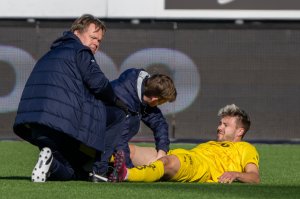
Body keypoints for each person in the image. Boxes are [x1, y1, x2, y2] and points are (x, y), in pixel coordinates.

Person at [13, 14, 128, 183]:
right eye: (93, 37)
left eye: (99, 40)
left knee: (67, 169)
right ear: (76, 33)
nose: (96, 43)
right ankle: (100, 170)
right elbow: (98, 84)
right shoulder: (81, 51)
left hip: (35, 126)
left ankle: (50, 163)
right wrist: (117, 101)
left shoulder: (48, 55)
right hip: (61, 126)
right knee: (118, 114)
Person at [109, 104, 260, 184]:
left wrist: (236, 174)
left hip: (200, 167)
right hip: (186, 155)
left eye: (226, 125)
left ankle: (127, 174)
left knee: (167, 162)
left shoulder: (246, 148)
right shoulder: (213, 143)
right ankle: (95, 161)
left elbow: (254, 177)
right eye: (220, 123)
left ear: (240, 131)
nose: (219, 127)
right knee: (130, 150)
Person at [109, 68, 177, 169]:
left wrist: (162, 149)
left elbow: (159, 123)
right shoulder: (123, 102)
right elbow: (119, 140)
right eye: (163, 102)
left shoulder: (143, 91)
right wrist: (129, 170)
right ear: (155, 99)